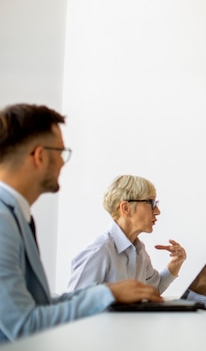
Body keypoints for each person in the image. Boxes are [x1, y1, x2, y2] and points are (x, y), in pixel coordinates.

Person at [0, 103, 162, 344]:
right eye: (61, 153)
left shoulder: (17, 216)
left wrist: (110, 293)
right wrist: (105, 294)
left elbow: (40, 305)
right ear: (40, 156)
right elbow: (23, 326)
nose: (64, 164)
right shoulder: (3, 222)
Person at [67, 175, 187, 294]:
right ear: (126, 208)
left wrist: (176, 263)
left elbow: (153, 290)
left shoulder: (140, 251)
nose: (157, 211)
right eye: (151, 203)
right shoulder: (100, 251)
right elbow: (74, 304)